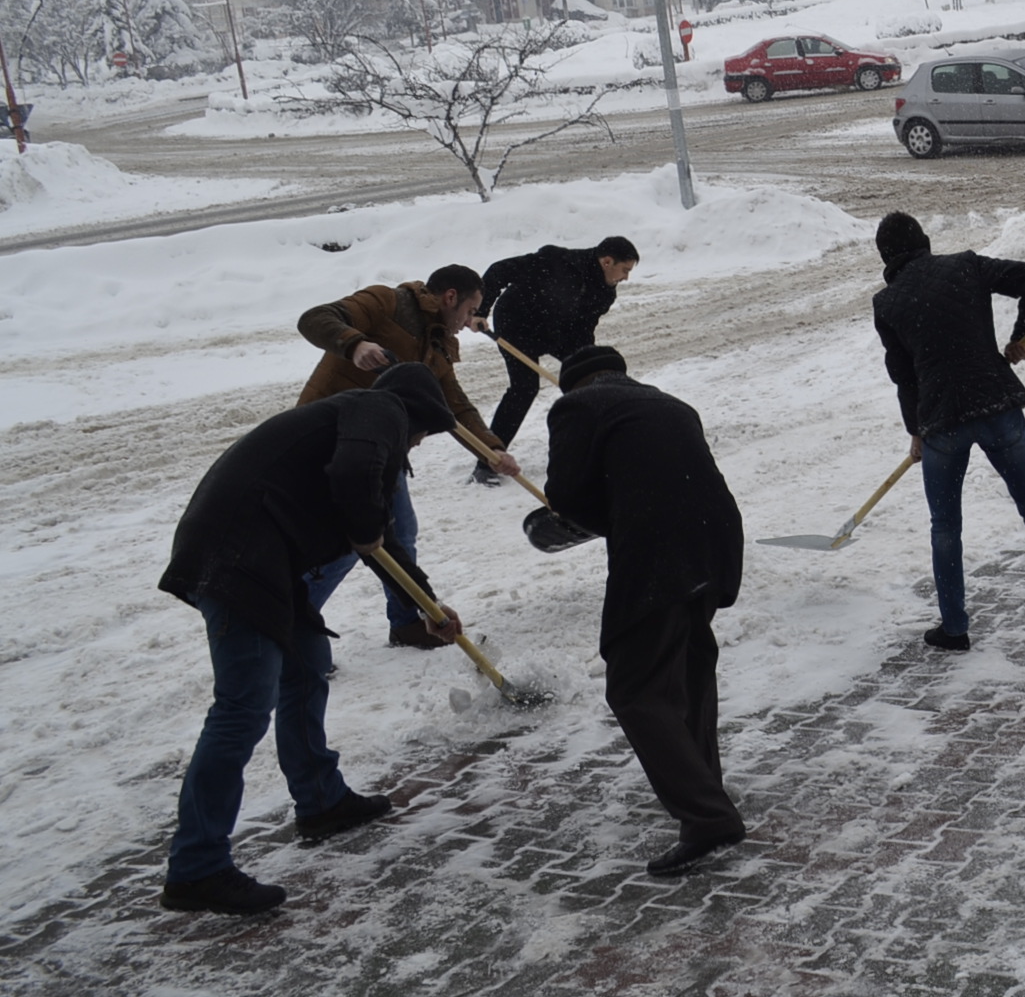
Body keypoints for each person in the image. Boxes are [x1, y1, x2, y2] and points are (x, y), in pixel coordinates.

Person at [157, 363, 462, 915]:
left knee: (306, 666)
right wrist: (365, 529)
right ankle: (196, 867)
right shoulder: (379, 408)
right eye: (423, 435)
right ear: (414, 414)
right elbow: (356, 478)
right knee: (242, 709)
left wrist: (427, 606)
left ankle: (321, 801)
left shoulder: (353, 420)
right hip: (238, 560)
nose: (417, 444)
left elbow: (382, 541)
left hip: (262, 558)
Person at [540, 346, 746, 877]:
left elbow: (566, 495)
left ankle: (707, 817)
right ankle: (705, 788)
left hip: (660, 553)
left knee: (635, 689)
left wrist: (598, 518)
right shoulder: (669, 403)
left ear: (573, 384)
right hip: (715, 541)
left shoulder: (576, 407)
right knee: (690, 668)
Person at [871, 212, 1025, 653]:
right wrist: (1024, 337)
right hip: (996, 405)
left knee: (945, 528)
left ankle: (955, 628)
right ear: (925, 240)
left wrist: (916, 430)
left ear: (885, 258)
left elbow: (904, 377)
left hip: (941, 422)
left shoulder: (888, 303)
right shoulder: (965, 265)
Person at [296, 266, 515, 649]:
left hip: (384, 445)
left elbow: (452, 403)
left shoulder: (439, 342)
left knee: (402, 532)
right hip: (332, 441)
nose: (469, 322)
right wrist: (355, 345)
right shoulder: (387, 302)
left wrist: (491, 448)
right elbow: (314, 318)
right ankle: (293, 625)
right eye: (470, 310)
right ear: (450, 297)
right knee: (348, 543)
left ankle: (406, 622)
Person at [473, 236, 640, 481]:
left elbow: (585, 327)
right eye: (625, 270)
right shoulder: (557, 261)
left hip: (559, 331)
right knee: (525, 388)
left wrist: (586, 361)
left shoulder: (605, 291)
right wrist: (480, 311)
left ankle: (602, 441)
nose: (626, 277)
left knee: (593, 376)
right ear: (607, 262)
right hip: (517, 326)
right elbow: (499, 271)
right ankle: (487, 462)